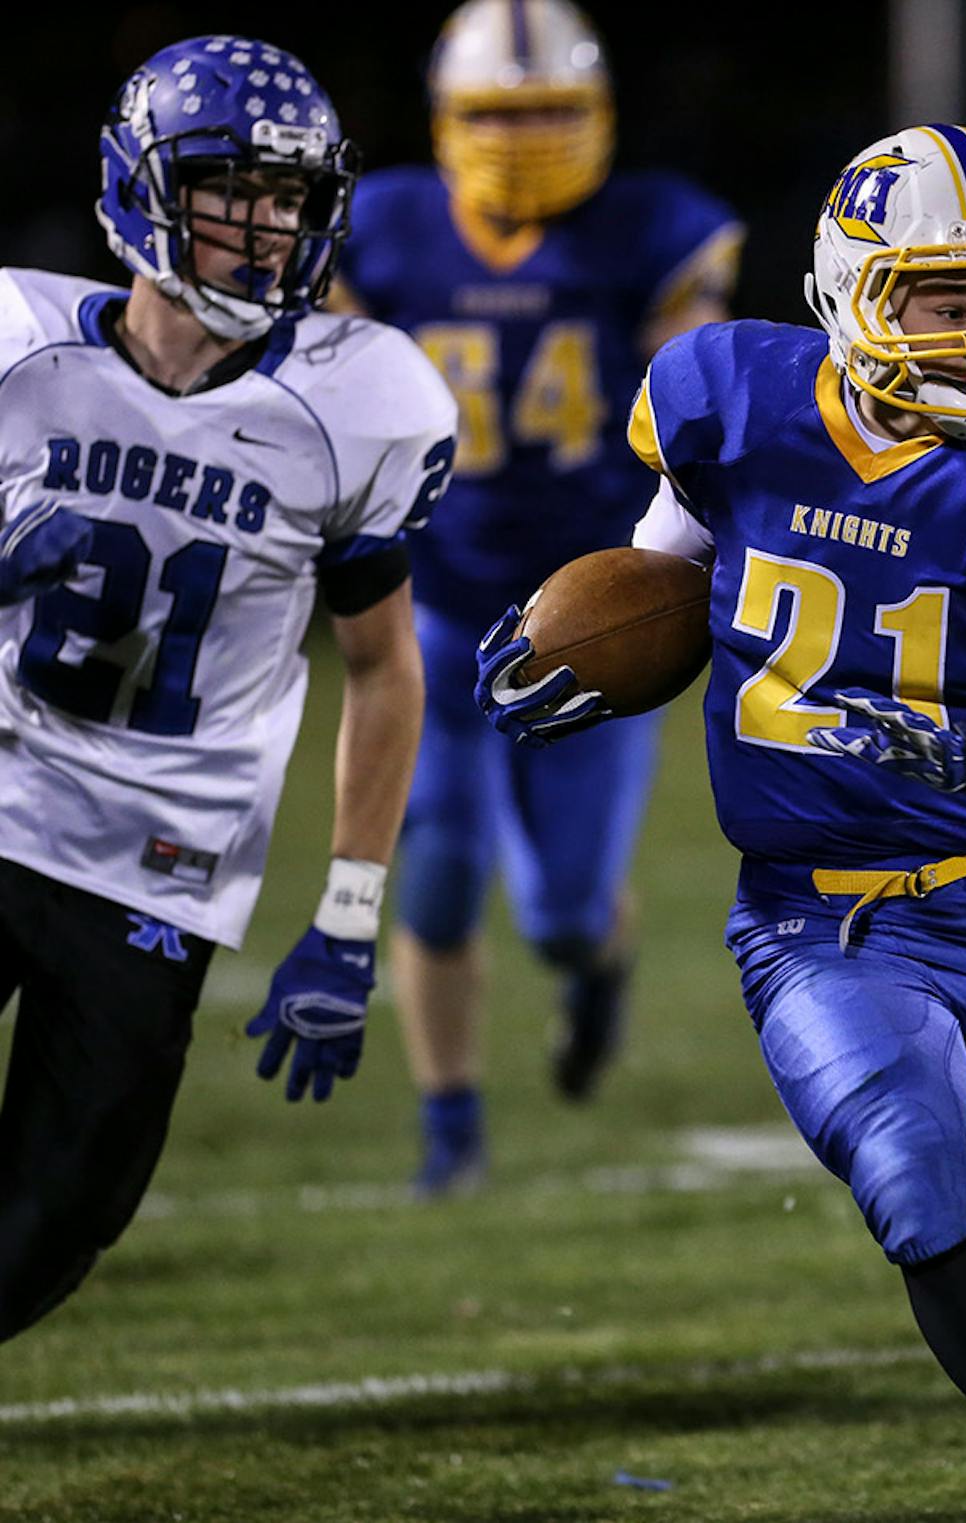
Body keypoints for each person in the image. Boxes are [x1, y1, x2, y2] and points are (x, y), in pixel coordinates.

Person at [477, 124, 966, 1522]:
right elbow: (658, 588)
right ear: (850, 292)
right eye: (949, 299)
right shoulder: (735, 403)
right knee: (912, 1161)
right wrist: (576, 656)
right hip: (817, 915)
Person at [0, 36, 452, 1340]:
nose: (264, 226)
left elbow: (384, 667)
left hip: (158, 866)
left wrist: (349, 915)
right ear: (144, 186)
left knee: (47, 1228)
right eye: (231, 189)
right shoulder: (21, 344)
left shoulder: (358, 400)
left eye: (287, 196)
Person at [333, 0, 743, 1197]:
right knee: (439, 865)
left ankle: (595, 965)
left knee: (562, 911)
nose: (525, 140)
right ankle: (451, 1124)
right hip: (435, 596)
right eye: (499, 116)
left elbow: (699, 405)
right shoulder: (385, 227)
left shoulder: (654, 230)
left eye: (553, 112)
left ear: (601, 114)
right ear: (445, 119)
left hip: (595, 607)